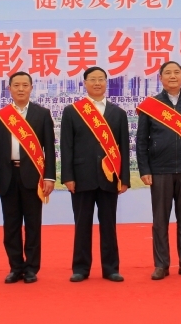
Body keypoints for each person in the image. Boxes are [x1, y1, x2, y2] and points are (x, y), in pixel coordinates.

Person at [136, 61, 181, 280]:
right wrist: (144, 169)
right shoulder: (151, 105)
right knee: (160, 220)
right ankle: (161, 264)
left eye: (177, 72)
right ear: (160, 78)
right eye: (167, 73)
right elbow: (142, 141)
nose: (172, 76)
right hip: (160, 170)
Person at [60, 67, 130, 282]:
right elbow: (66, 146)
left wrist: (124, 179)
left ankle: (111, 268)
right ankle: (80, 268)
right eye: (93, 79)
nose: (97, 83)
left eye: (101, 79)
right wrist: (68, 176)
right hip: (82, 176)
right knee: (82, 225)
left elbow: (124, 148)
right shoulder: (72, 111)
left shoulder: (118, 113)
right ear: (85, 83)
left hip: (110, 177)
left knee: (109, 224)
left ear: (106, 83)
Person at [0, 71, 56, 284]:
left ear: (31, 88)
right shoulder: (0, 116)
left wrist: (50, 177)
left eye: (25, 85)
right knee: (11, 226)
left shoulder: (42, 114)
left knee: (33, 225)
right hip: (7, 176)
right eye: (16, 85)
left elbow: (49, 149)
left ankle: (32, 268)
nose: (20, 89)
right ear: (9, 89)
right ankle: (15, 267)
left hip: (32, 177)